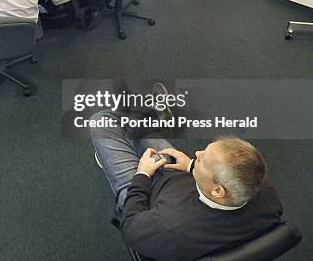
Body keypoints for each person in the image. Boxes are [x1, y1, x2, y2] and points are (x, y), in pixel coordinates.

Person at [90, 103, 283, 261]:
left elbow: (130, 227)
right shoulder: (265, 192)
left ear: (218, 191)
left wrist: (142, 176)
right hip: (179, 184)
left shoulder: (167, 227)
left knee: (103, 122)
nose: (196, 153)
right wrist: (191, 166)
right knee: (131, 129)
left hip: (145, 201)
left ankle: (111, 156)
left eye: (202, 160)